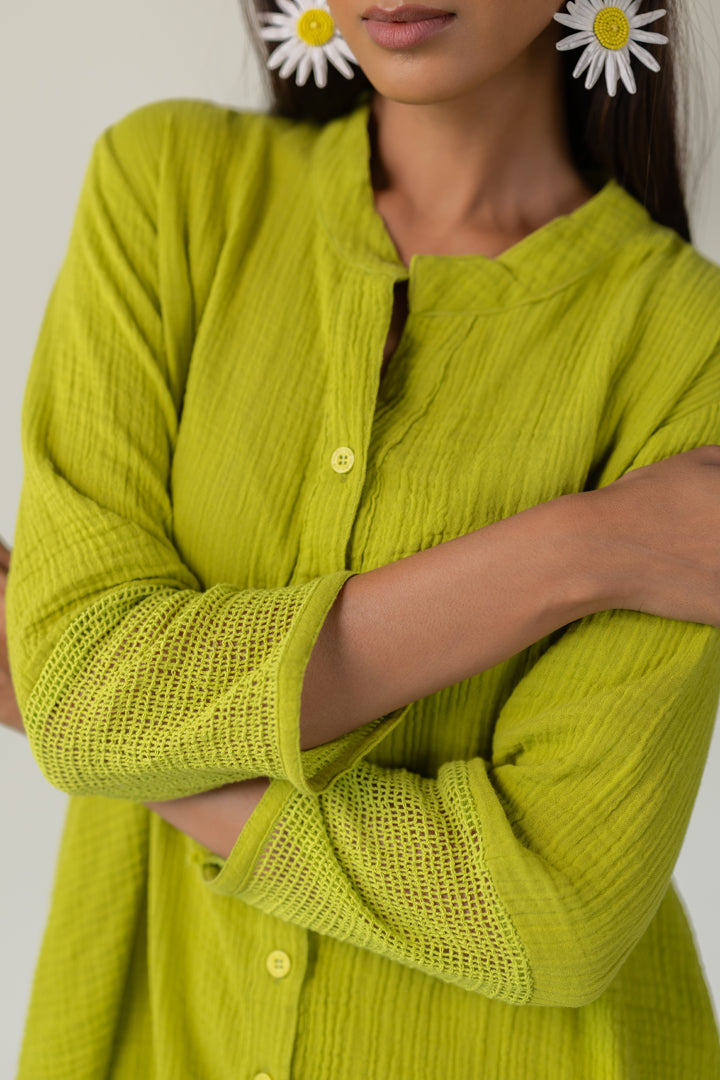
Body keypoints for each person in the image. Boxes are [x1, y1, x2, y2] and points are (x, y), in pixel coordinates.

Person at [5, 0, 720, 1075]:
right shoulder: (166, 189)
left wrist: (147, 747)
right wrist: (586, 550)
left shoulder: (690, 345)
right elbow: (75, 694)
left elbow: (556, 912)